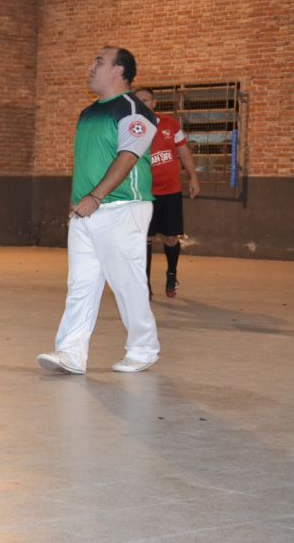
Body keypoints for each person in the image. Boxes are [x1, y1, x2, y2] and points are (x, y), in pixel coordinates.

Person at [36, 47, 160, 375]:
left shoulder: (136, 110)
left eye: (99, 62)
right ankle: (71, 354)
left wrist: (97, 196)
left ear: (119, 71)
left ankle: (143, 348)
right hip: (84, 212)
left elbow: (128, 157)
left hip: (121, 207)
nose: (91, 67)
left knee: (126, 281)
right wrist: (81, 202)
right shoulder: (88, 112)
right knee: (81, 284)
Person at [134, 87, 199, 299]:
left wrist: (193, 177)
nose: (143, 103)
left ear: (154, 103)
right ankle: (144, 285)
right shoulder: (131, 128)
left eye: (147, 99)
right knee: (146, 238)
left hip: (171, 191)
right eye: (139, 100)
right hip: (144, 194)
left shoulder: (171, 124)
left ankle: (172, 274)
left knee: (171, 238)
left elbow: (183, 152)